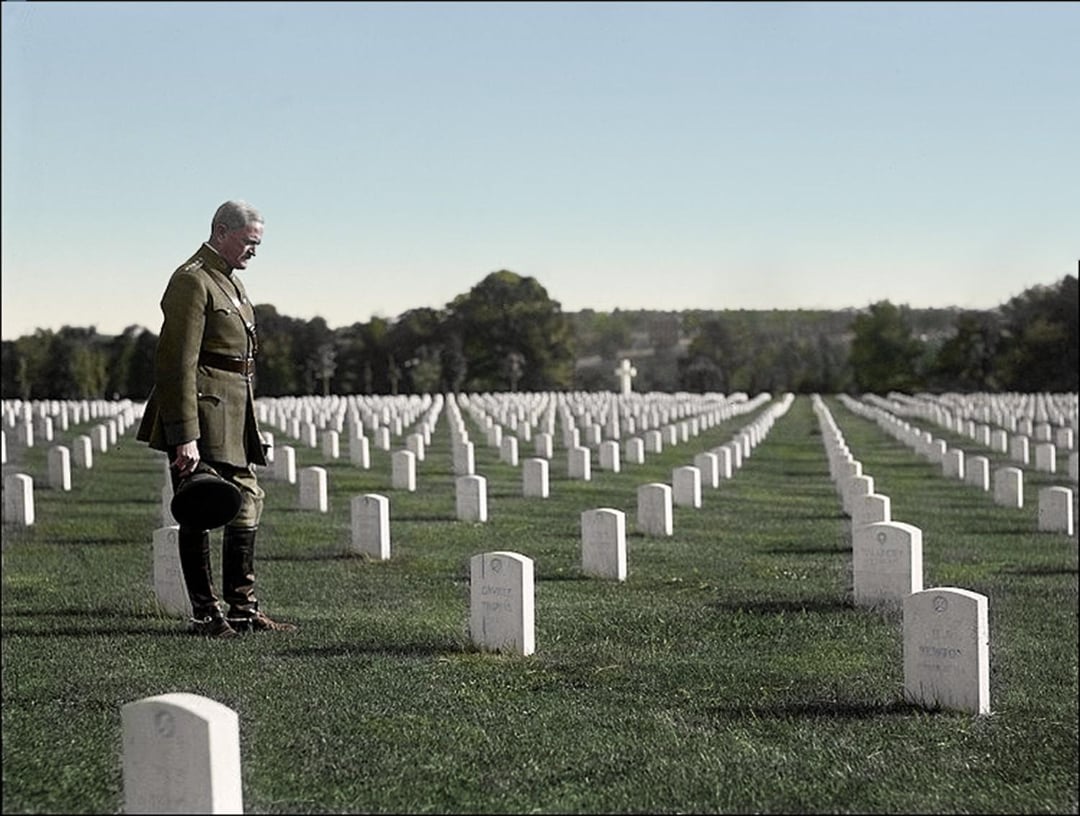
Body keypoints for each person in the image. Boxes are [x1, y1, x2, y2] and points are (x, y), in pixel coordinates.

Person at [137, 200, 296, 638]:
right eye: (249, 242)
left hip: (235, 408)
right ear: (222, 232)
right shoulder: (192, 280)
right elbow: (176, 362)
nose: (254, 252)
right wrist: (183, 436)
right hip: (202, 413)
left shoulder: (231, 283)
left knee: (248, 498)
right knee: (199, 507)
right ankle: (207, 614)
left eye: (257, 245)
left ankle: (243, 608)